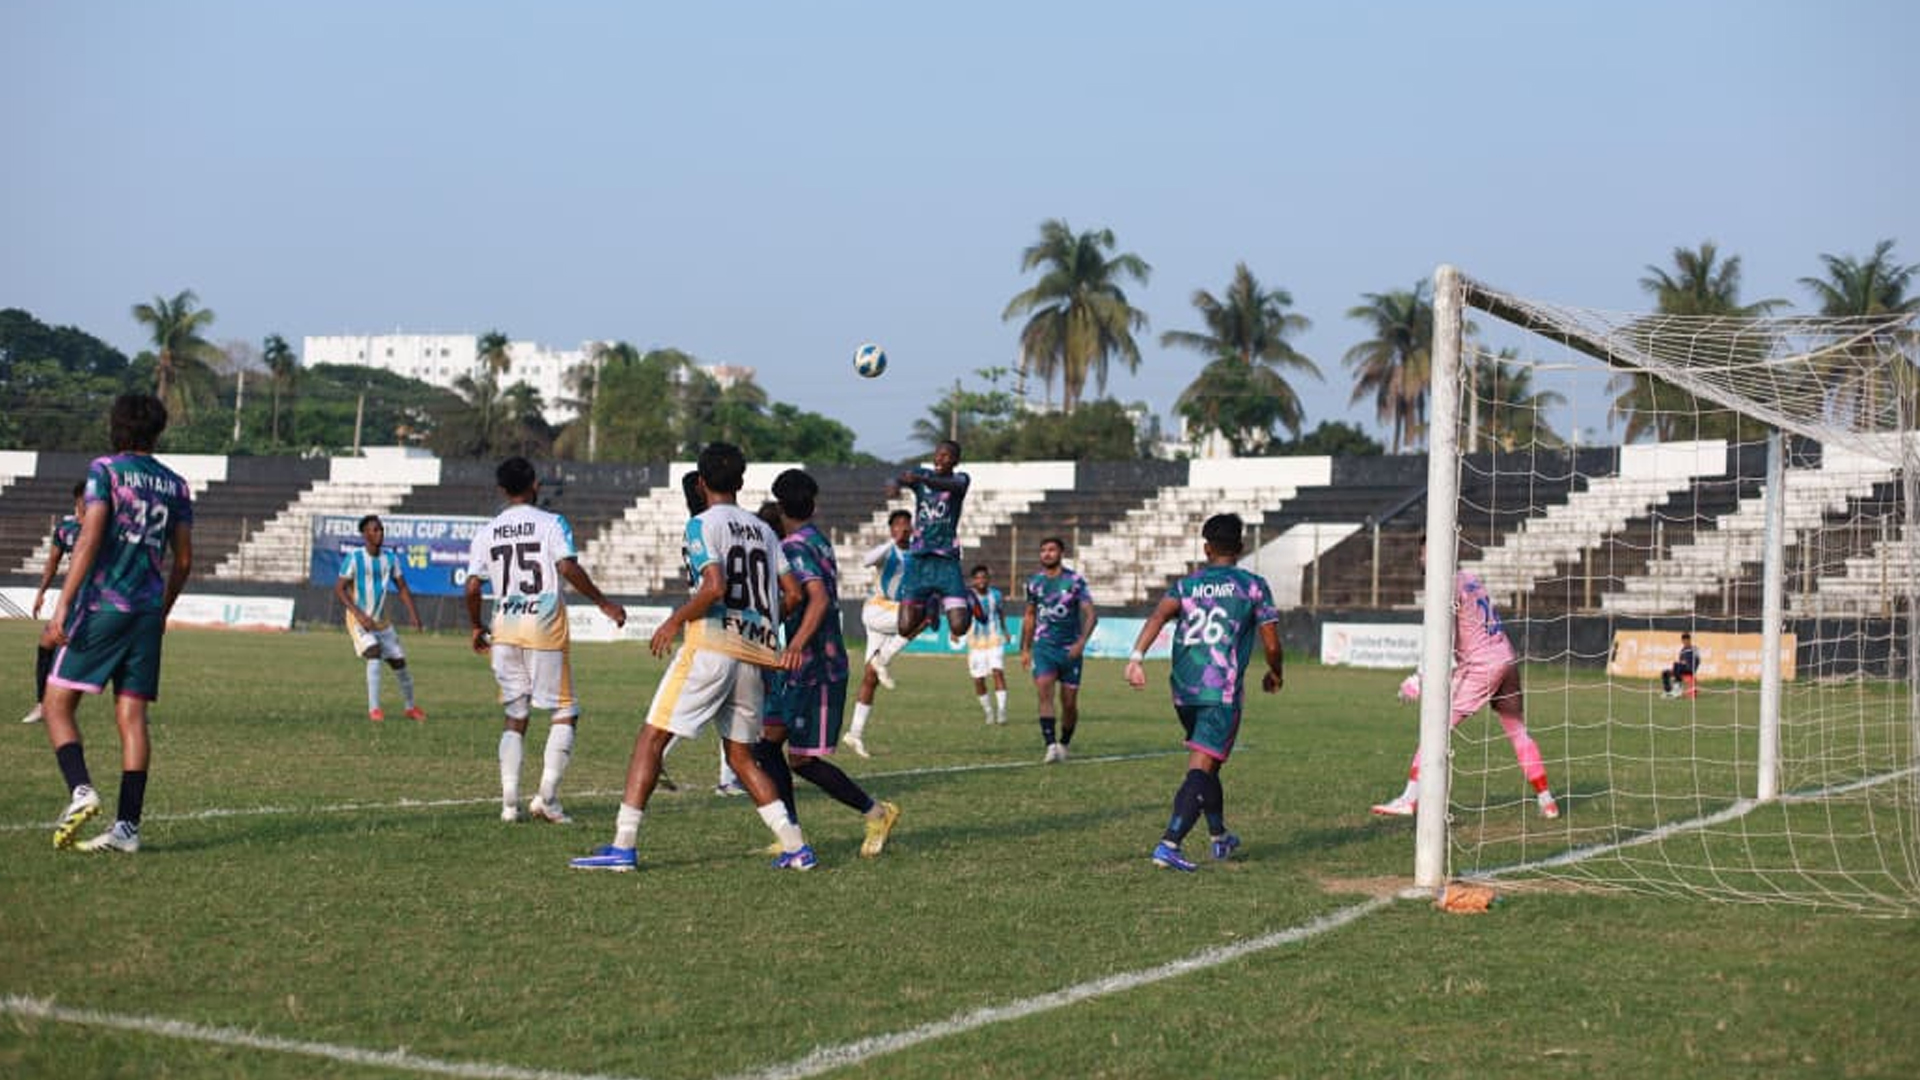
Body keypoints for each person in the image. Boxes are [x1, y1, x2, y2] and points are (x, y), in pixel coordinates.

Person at [570, 442, 814, 872]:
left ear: (700, 484)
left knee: (652, 738)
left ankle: (623, 847)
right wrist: (760, 621)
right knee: (741, 756)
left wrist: (674, 621)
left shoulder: (702, 523)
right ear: (740, 482)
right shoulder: (766, 530)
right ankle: (795, 846)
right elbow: (793, 594)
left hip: (712, 648)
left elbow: (715, 587)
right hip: (754, 654)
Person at [40, 394, 194, 854]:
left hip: (104, 605)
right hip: (147, 612)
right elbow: (184, 559)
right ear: (157, 430)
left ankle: (81, 790)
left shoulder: (105, 470)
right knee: (132, 714)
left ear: (117, 426)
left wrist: (62, 605)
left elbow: (89, 537)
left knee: (55, 703)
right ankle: (128, 829)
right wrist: (163, 609)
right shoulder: (176, 484)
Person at [464, 456, 626, 825]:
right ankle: (546, 799)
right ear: (535, 484)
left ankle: (508, 804)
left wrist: (476, 625)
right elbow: (566, 567)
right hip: (543, 627)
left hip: (504, 628)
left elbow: (473, 585)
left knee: (515, 714)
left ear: (502, 490)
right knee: (566, 710)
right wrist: (603, 602)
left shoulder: (487, 531)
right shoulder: (552, 523)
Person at [753, 472, 902, 857]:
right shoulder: (812, 538)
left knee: (801, 759)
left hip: (816, 665)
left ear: (780, 505)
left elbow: (816, 600)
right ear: (813, 504)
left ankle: (877, 812)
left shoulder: (797, 548)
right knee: (767, 744)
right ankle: (791, 834)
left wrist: (796, 645)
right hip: (794, 668)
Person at [1125, 513, 1284, 872]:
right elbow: (1271, 645)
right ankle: (1169, 843)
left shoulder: (1186, 586)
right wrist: (1275, 672)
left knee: (1207, 764)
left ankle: (1219, 835)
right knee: (1201, 766)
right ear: (1241, 547)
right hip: (1219, 691)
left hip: (1183, 688)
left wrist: (1136, 658)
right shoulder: (1253, 585)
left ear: (1206, 547)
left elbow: (1157, 617)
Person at [1371, 534, 1559, 820]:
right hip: (1505, 656)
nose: (1422, 559)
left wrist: (1418, 678)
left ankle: (1409, 799)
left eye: (1426, 553)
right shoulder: (1470, 577)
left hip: (1482, 666)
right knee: (1517, 729)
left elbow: (1442, 640)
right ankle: (1547, 801)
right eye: (1422, 553)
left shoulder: (1445, 587)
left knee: (1435, 727)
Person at [656, 469, 744, 796]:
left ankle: (728, 777)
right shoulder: (710, 527)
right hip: (720, 627)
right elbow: (716, 584)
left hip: (715, 627)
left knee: (715, 707)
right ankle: (727, 778)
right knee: (721, 707)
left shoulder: (698, 526)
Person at [869, 439, 973, 688]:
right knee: (905, 628)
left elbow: (943, 484)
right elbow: (896, 477)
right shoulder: (922, 476)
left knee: (959, 627)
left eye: (946, 456)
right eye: (938, 455)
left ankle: (947, 598)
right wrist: (893, 485)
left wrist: (922, 481)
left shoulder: (960, 480)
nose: (940, 459)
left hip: (946, 562)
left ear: (955, 461)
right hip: (919, 561)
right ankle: (932, 602)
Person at [334, 514, 427, 722]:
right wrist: (358, 613)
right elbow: (339, 589)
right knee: (373, 652)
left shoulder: (390, 559)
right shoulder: (355, 558)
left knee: (400, 664)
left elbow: (402, 587)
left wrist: (414, 615)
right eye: (375, 530)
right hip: (358, 620)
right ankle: (374, 710)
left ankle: (410, 708)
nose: (379, 533)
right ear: (365, 534)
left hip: (381, 621)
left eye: (381, 529)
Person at [1020, 536, 1097, 762]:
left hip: (1070, 650)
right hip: (1044, 648)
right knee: (1044, 690)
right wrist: (1026, 648)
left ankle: (1064, 742)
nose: (1047, 554)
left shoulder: (1075, 582)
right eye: (1043, 550)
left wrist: (1081, 642)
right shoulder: (1034, 583)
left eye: (1051, 550)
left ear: (1061, 553)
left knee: (1069, 703)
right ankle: (1050, 744)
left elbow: (1091, 614)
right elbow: (1030, 615)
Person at [844, 508, 911, 758]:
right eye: (898, 524)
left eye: (907, 523)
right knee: (921, 615)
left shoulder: (916, 552)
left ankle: (854, 734)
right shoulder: (889, 550)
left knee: (870, 678)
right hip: (878, 610)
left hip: (894, 612)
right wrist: (892, 541)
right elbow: (866, 560)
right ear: (891, 529)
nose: (904, 527)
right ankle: (884, 657)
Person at [22, 481, 84, 725]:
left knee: (58, 642)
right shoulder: (65, 529)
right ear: (78, 500)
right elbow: (52, 562)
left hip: (97, 596)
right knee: (48, 640)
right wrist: (41, 592)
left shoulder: (101, 526)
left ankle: (45, 705)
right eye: (87, 499)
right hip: (74, 596)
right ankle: (43, 704)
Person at [965, 564, 1011, 725]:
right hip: (975, 643)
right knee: (979, 679)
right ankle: (989, 712)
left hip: (994, 639)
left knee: (998, 671)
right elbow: (961, 615)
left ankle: (1002, 711)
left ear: (988, 579)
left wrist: (1005, 630)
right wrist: (954, 631)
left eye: (984, 577)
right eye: (978, 578)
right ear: (973, 580)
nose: (981, 580)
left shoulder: (996, 595)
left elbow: (1000, 612)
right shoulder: (968, 597)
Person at [1662, 632, 1701, 698]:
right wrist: (1682, 663)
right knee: (1665, 672)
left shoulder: (1694, 649)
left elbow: (1698, 660)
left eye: (1687, 640)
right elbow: (1681, 661)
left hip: (1690, 668)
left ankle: (1678, 689)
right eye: (1684, 641)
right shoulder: (1682, 650)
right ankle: (1668, 691)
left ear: (1689, 640)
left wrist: (1691, 666)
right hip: (1682, 669)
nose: (1685, 642)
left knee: (1677, 666)